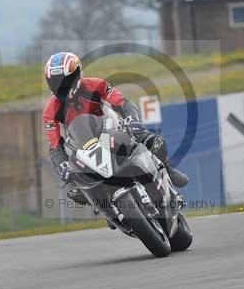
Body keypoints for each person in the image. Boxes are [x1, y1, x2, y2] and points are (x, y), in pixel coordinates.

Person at [42, 51, 189, 204]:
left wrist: (132, 120)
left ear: (78, 75)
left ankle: (166, 169)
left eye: (65, 81)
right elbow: (54, 143)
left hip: (113, 132)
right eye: (56, 82)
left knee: (155, 141)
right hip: (84, 149)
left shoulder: (96, 85)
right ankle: (107, 207)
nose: (61, 87)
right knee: (72, 188)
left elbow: (122, 102)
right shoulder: (50, 110)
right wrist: (62, 165)